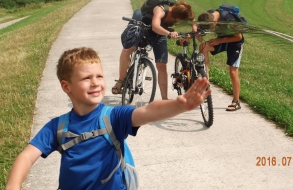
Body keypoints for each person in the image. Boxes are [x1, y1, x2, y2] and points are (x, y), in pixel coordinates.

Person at [5, 47, 211, 190]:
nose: (95, 83)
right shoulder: (57, 127)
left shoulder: (113, 117)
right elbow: (26, 156)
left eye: (99, 76)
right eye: (86, 78)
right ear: (67, 87)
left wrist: (178, 105)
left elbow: (148, 112)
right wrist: (13, 186)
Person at [112, 0, 195, 100]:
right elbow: (155, 26)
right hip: (145, 27)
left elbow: (192, 19)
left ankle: (165, 99)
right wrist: (169, 33)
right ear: (177, 18)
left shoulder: (180, 9)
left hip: (159, 33)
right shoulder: (160, 9)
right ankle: (120, 81)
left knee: (162, 66)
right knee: (127, 50)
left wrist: (191, 34)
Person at [197, 8, 244, 111]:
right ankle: (206, 79)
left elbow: (239, 37)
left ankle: (236, 101)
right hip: (221, 41)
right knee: (203, 47)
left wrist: (219, 40)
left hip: (235, 44)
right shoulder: (207, 15)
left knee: (233, 72)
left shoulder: (229, 20)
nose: (211, 29)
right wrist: (197, 33)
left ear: (214, 21)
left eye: (211, 27)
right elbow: (197, 25)